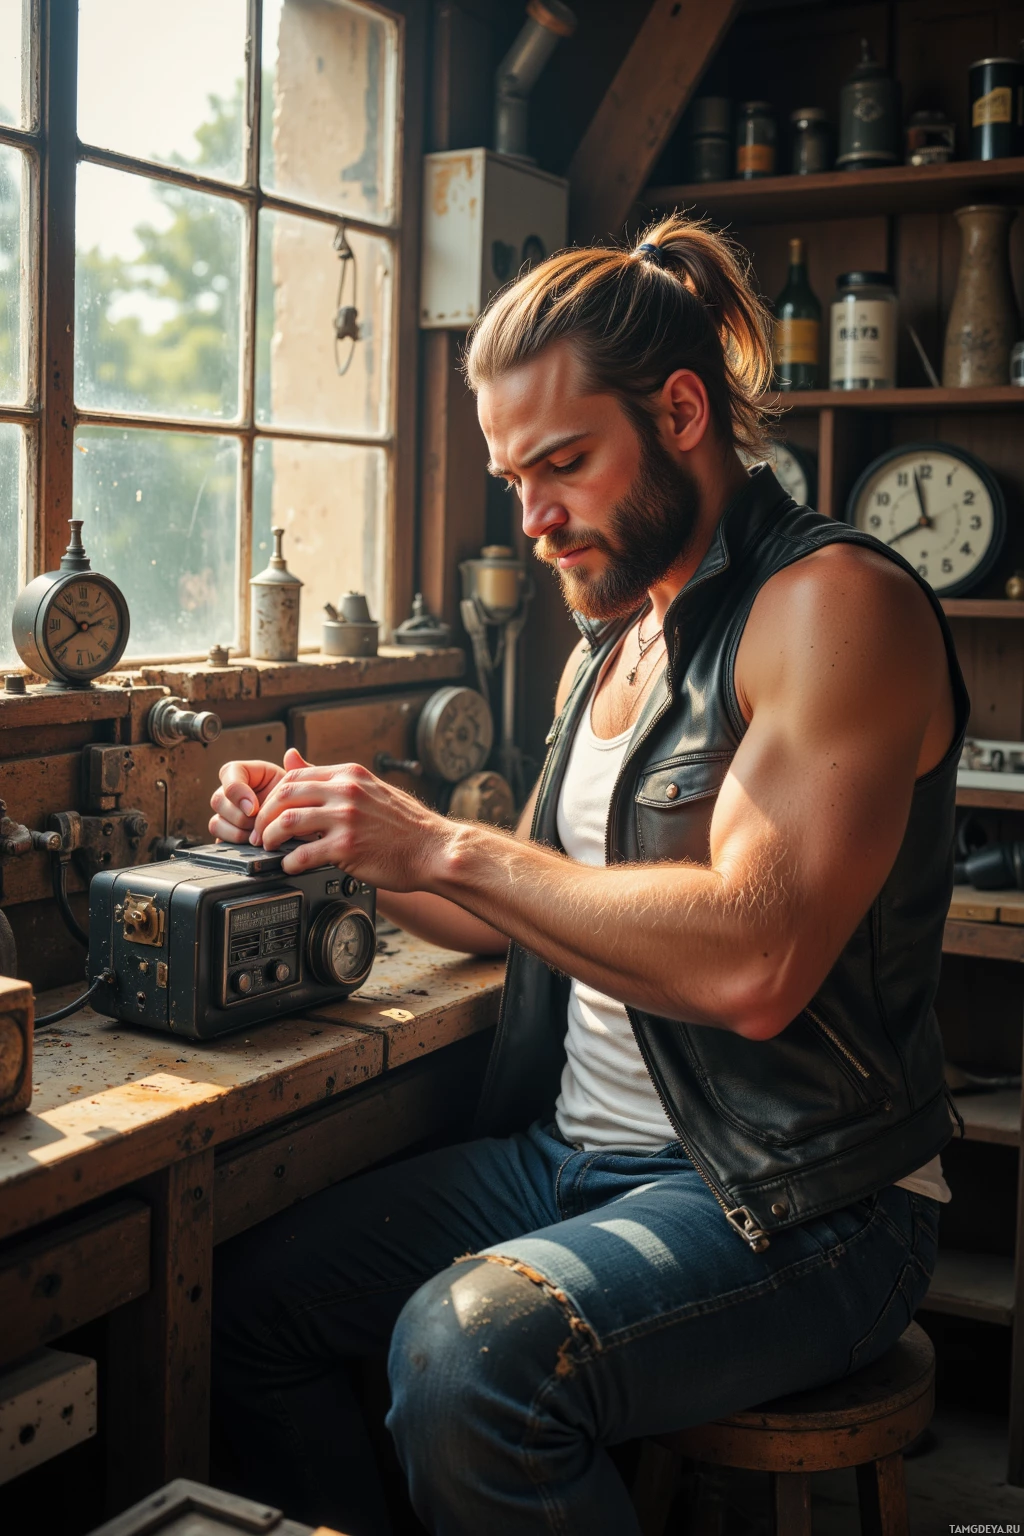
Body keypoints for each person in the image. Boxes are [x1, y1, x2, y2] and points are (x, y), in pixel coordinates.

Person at [210, 217, 966, 1536]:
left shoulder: (836, 604)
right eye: (514, 478)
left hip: (807, 1202)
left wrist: (444, 836)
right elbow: (523, 905)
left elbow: (754, 961)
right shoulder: (607, 647)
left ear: (682, 413)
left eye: (563, 464)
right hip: (570, 1162)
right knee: (245, 1309)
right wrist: (338, 840)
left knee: (471, 1357)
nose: (535, 515)